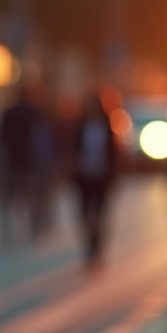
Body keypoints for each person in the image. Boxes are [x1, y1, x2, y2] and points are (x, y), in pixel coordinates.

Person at [71, 93, 120, 268]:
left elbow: (114, 154)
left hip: (102, 177)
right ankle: (89, 244)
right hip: (85, 177)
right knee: (85, 214)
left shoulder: (107, 127)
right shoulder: (81, 127)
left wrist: (113, 176)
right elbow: (74, 150)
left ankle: (97, 247)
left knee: (99, 214)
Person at [0, 84, 45, 244]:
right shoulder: (35, 112)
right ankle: (34, 228)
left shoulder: (8, 113)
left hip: (12, 160)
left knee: (8, 198)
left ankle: (7, 232)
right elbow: (41, 138)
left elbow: (1, 138)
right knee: (31, 196)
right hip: (30, 161)